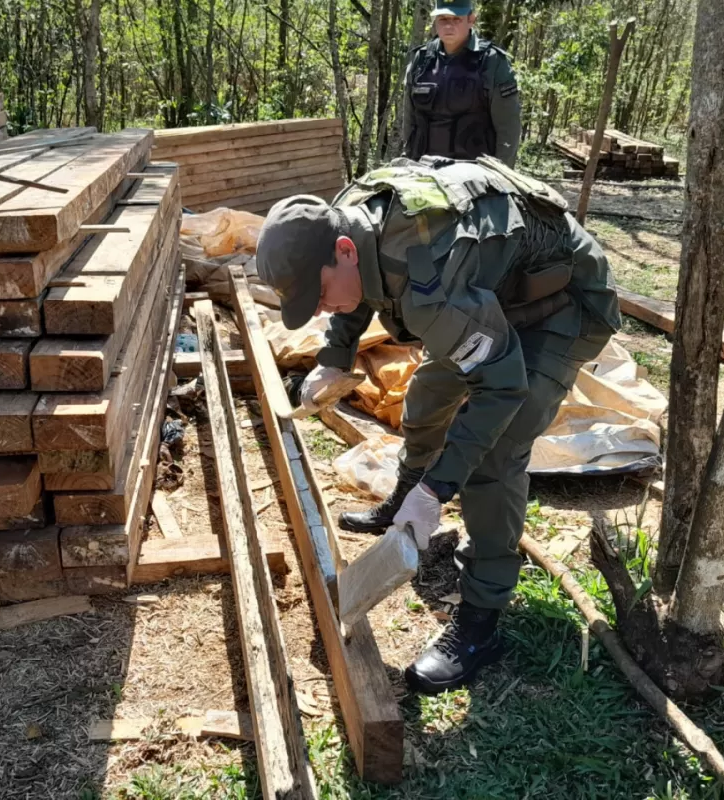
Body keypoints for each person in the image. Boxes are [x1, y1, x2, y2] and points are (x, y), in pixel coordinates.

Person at [256, 156, 620, 694]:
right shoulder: (346, 220)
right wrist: (334, 355)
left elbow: (500, 388)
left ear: (344, 251)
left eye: (320, 293)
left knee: (496, 455)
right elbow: (356, 293)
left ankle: (480, 621)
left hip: (562, 304)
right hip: (493, 290)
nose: (323, 308)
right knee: (427, 396)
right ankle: (403, 498)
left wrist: (440, 487)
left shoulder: (428, 274)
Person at [402, 1, 522, 166]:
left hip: (474, 177)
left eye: (456, 19)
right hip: (423, 171)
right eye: (443, 19)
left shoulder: (492, 62)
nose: (449, 25)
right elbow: (409, 121)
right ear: (435, 20)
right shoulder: (421, 60)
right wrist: (407, 162)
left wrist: (501, 175)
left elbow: (508, 129)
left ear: (471, 19)